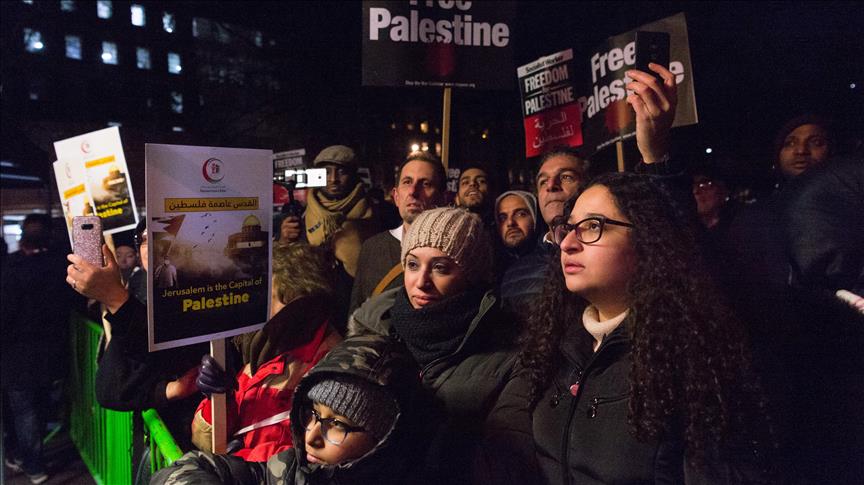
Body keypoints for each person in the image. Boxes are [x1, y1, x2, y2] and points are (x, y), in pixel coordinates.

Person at [491, 172, 773, 484]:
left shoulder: (694, 354)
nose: (568, 244)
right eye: (568, 228)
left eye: (592, 227)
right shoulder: (555, 341)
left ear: (647, 239)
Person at [348, 207, 522, 484]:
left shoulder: (507, 355)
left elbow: (504, 465)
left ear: (471, 275)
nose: (421, 282)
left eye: (440, 267)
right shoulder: (371, 331)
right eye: (413, 264)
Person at [150, 334, 426, 485]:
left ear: (384, 438)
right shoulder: (296, 469)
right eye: (314, 414)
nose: (311, 437)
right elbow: (191, 466)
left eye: (338, 424)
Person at [190, 243, 342, 462]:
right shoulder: (269, 351)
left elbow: (307, 457)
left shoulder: (329, 365)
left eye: (266, 296)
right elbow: (204, 439)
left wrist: (240, 462)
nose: (255, 306)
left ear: (295, 298)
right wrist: (220, 400)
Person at [2, 214, 73, 485]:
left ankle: (32, 463)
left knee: (25, 411)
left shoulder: (11, 268)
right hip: (49, 352)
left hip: (17, 355)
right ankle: (29, 458)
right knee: (39, 408)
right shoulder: (57, 267)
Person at [349, 151, 446, 313]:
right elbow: (357, 312)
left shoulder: (452, 252)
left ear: (442, 198)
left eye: (426, 184)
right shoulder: (372, 248)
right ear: (396, 196)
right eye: (407, 182)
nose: (413, 191)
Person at [279, 145, 379, 278]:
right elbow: (290, 269)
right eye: (326, 172)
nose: (333, 179)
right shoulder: (301, 215)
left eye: (342, 172)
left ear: (353, 175)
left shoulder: (376, 212)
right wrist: (284, 241)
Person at [494, 190, 538, 277]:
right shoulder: (494, 272)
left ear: (535, 218)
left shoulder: (551, 262)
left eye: (520, 214)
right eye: (503, 218)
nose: (510, 223)